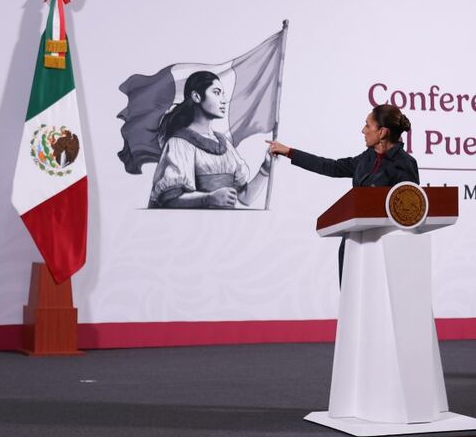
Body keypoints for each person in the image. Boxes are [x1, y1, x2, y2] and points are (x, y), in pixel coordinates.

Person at [266, 104, 418, 282]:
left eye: (367, 125)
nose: (363, 130)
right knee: (350, 295)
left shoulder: (405, 164)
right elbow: (331, 167)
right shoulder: (367, 157)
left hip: (382, 248)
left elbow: (408, 215)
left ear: (382, 132)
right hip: (353, 242)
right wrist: (289, 152)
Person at [148, 71, 272, 208]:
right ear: (196, 96)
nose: (223, 100)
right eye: (217, 93)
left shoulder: (224, 143)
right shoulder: (179, 143)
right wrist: (208, 198)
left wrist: (266, 168)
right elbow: (170, 200)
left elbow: (245, 198)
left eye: (223, 94)